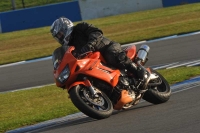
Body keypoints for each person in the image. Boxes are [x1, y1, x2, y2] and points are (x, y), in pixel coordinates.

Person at [50, 17, 145, 80]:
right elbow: (68, 58)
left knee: (113, 56)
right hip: (92, 61)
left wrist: (90, 44)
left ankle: (138, 71)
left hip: (104, 47)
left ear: (66, 27)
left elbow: (96, 32)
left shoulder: (80, 27)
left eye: (61, 33)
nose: (60, 37)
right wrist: (59, 64)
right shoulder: (68, 46)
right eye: (58, 36)